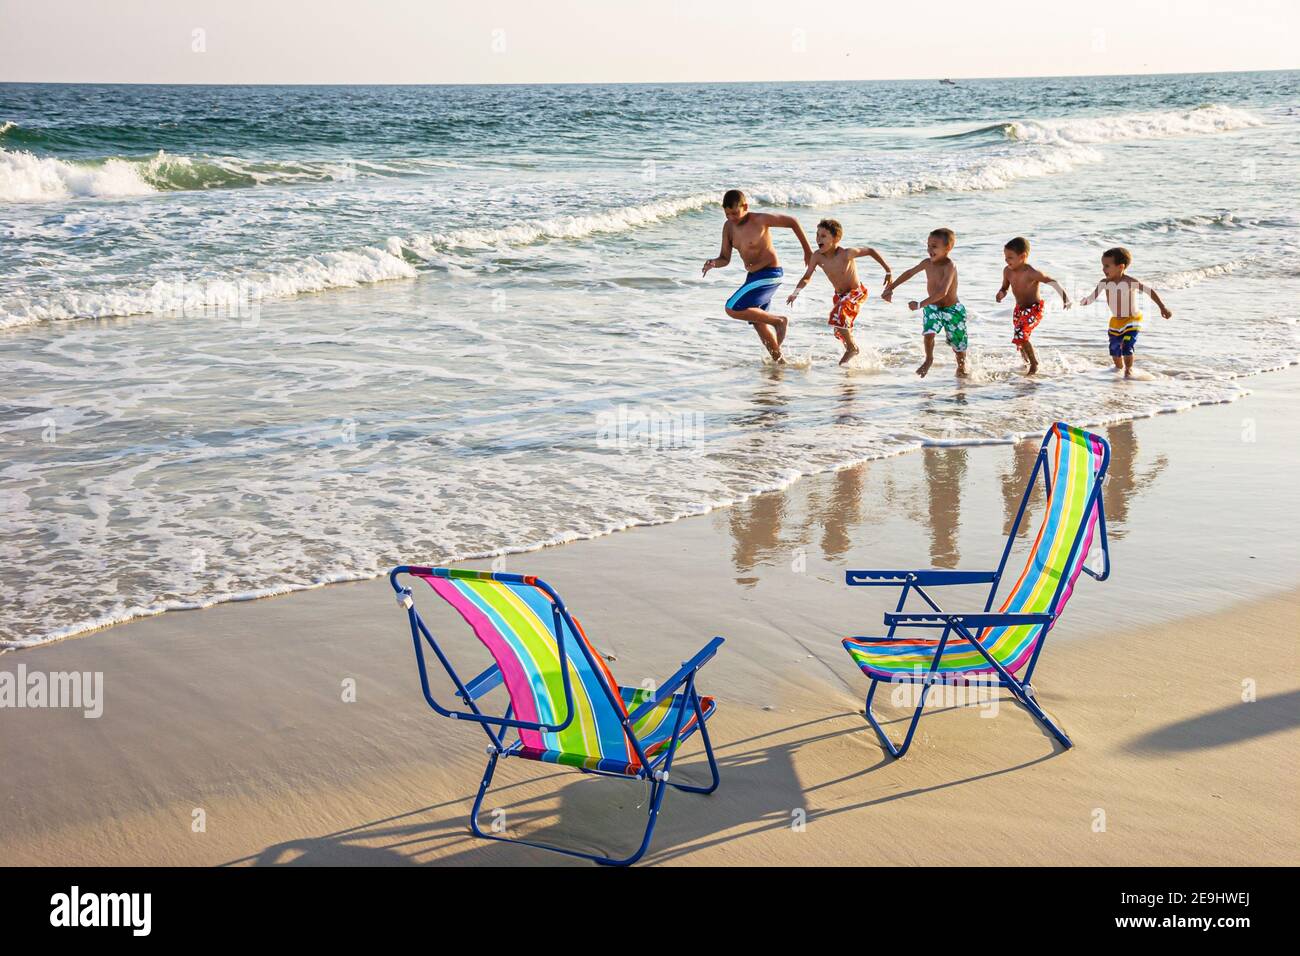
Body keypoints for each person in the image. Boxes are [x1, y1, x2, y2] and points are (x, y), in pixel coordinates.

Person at [702, 189, 812, 362]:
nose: (732, 217)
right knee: (758, 323)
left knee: (732, 307)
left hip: (770, 273)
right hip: (753, 277)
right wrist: (713, 263)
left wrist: (807, 251)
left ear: (745, 206)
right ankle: (779, 362)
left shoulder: (760, 220)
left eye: (735, 213)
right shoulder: (728, 227)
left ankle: (779, 321)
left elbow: (793, 222)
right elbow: (725, 258)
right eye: (727, 214)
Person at [786, 218, 893, 364]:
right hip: (840, 295)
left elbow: (870, 251)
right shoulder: (817, 256)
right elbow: (806, 277)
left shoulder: (846, 253)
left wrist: (887, 270)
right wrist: (795, 293)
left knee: (838, 314)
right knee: (838, 327)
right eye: (817, 235)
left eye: (823, 236)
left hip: (856, 292)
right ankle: (852, 348)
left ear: (836, 238)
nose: (818, 239)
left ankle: (851, 349)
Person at [881, 227, 967, 377]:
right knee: (929, 333)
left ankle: (962, 367)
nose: (929, 249)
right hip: (933, 306)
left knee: (958, 345)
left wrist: (920, 304)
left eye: (934, 246)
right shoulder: (927, 263)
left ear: (948, 248)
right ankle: (928, 359)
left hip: (953, 310)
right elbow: (909, 272)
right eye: (928, 245)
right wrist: (891, 287)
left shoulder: (949, 266)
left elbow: (942, 292)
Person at [1079, 246, 1173, 377]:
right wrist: (1084, 301)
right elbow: (1092, 297)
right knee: (1114, 349)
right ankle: (1118, 370)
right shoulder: (1103, 283)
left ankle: (1129, 370)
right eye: (1103, 265)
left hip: (1132, 319)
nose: (1103, 269)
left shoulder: (1129, 282)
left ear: (1120, 267)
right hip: (1116, 321)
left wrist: (1162, 307)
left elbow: (1149, 291)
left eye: (1107, 266)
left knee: (1126, 345)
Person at [996, 236, 1071, 375]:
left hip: (1034, 309)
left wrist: (1065, 298)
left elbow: (1052, 281)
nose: (1006, 260)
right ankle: (1026, 362)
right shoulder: (1007, 271)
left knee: (1021, 333)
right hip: (1019, 310)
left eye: (1010, 257)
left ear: (1023, 256)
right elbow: (1005, 287)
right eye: (1005, 257)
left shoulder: (1031, 272)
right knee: (1021, 339)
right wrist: (1001, 293)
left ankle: (1034, 364)